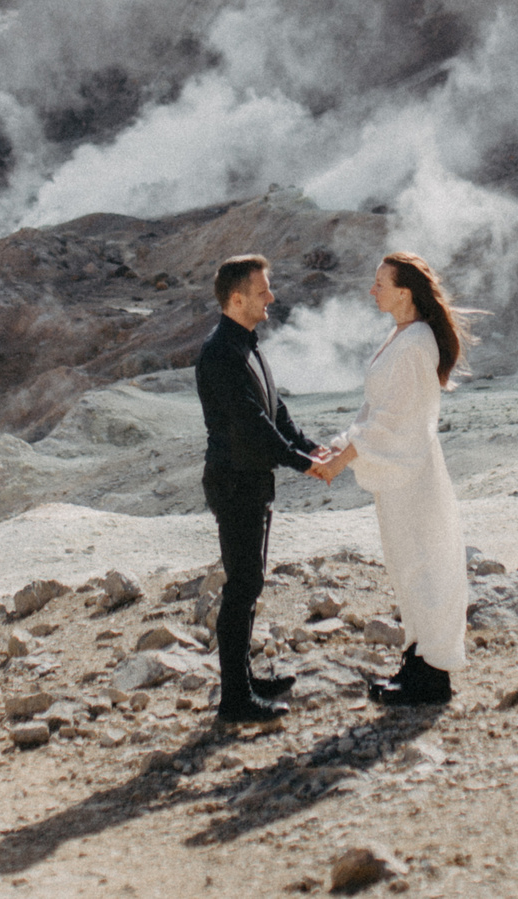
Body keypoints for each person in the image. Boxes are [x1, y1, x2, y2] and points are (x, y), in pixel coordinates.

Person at [318, 251, 468, 707]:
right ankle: (417, 660)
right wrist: (340, 444)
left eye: (380, 283)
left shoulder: (416, 341)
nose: (372, 290)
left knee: (425, 561)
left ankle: (433, 673)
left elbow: (393, 420)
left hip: (412, 470)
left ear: (404, 291)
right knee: (407, 563)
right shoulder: (402, 336)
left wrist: (343, 459)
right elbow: (375, 412)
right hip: (398, 472)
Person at [194, 252, 327, 724]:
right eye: (262, 290)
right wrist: (302, 463)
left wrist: (310, 448)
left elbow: (275, 410)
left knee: (250, 583)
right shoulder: (220, 352)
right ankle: (235, 699)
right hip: (234, 482)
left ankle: (245, 680)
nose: (271, 296)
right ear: (236, 298)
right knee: (242, 586)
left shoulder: (245, 343)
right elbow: (250, 425)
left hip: (251, 480)